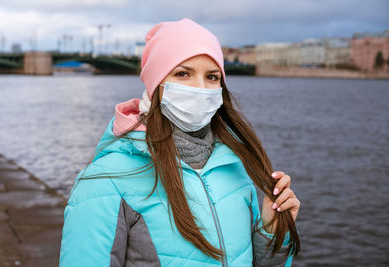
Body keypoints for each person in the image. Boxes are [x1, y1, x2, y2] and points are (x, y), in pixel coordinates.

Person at [59, 18, 300, 267]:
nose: (200, 88)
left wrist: (272, 232)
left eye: (212, 77)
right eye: (183, 73)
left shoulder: (235, 166)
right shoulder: (106, 180)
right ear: (156, 84)